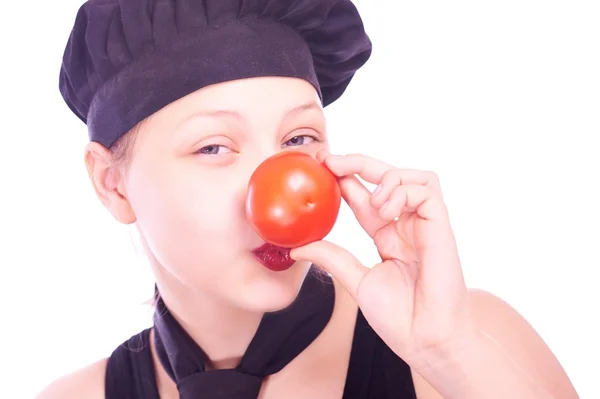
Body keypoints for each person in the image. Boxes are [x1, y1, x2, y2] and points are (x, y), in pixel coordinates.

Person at [38, 0, 579, 398]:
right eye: (214, 146)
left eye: (298, 140)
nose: (277, 193)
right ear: (113, 184)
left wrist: (451, 354)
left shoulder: (474, 341)